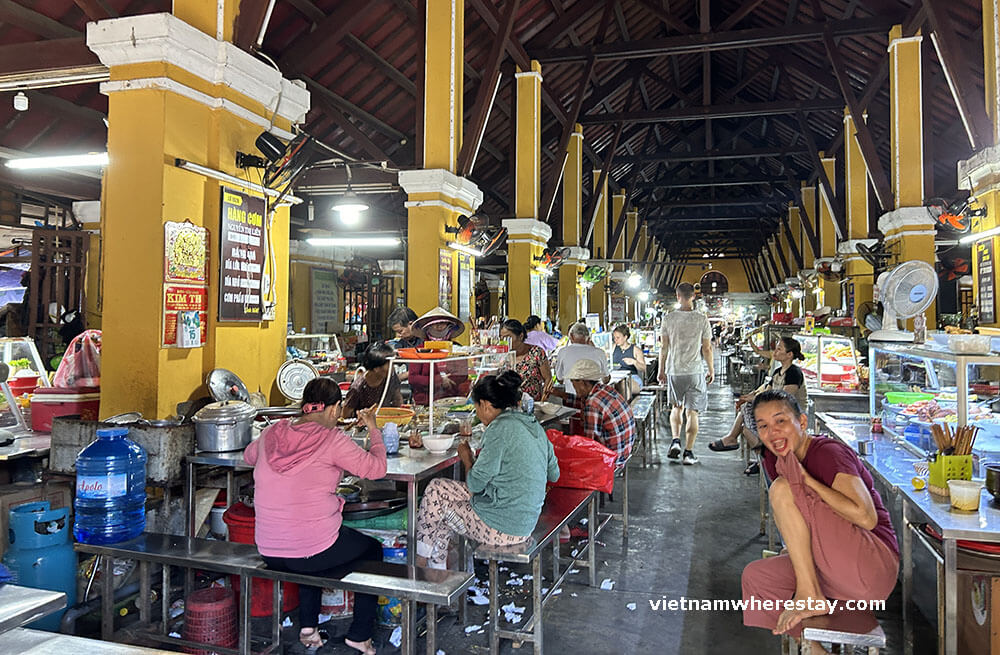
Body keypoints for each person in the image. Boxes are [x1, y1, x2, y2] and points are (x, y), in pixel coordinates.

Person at [741, 390, 898, 650]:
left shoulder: (827, 453)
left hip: (871, 566)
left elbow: (866, 517)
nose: (773, 432)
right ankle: (814, 648)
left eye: (781, 421)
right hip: (833, 568)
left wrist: (808, 481)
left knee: (782, 488)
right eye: (764, 426)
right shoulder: (777, 460)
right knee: (757, 579)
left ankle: (810, 594)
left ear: (802, 422)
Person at [244, 378, 387, 655]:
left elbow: (250, 456)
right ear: (334, 410)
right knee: (371, 551)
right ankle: (360, 635)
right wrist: (373, 429)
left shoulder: (273, 433)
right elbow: (377, 468)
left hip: (269, 550)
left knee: (308, 542)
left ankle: (308, 628)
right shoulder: (333, 439)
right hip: (311, 551)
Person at [414, 371, 560, 569]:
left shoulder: (499, 429)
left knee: (436, 501)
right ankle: (435, 573)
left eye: (476, 407)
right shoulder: (533, 425)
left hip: (502, 527)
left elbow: (475, 484)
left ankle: (420, 566)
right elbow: (554, 474)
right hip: (525, 520)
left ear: (484, 404)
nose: (477, 413)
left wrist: (467, 458)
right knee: (438, 490)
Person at [708, 336, 807, 475]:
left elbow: (785, 400)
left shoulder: (794, 373)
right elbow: (767, 392)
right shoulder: (778, 372)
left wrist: (754, 400)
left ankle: (755, 451)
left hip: (791, 417)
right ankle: (761, 458)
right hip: (777, 414)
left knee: (747, 415)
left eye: (779, 349)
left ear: (789, 355)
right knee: (745, 424)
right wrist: (750, 397)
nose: (775, 352)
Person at [658, 282, 714, 465]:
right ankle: (688, 453)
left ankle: (675, 440)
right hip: (695, 371)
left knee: (676, 407)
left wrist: (661, 370)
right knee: (692, 412)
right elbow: (707, 348)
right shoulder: (701, 319)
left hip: (675, 370)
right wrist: (711, 369)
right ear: (694, 296)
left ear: (677, 296)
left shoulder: (669, 318)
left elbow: (664, 348)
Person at [548, 358, 635, 469]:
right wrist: (558, 394)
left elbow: (590, 443)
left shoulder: (593, 404)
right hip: (624, 450)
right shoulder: (604, 390)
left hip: (612, 460)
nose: (573, 387)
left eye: (573, 383)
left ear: (582, 382)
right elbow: (582, 401)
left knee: (561, 463)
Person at [343, 343, 403, 418]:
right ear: (376, 368)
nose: (393, 367)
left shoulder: (391, 377)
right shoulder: (358, 387)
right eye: (389, 364)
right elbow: (345, 414)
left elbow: (398, 400)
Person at [500, 318, 552, 401]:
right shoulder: (503, 356)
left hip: (533, 405)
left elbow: (548, 379)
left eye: (508, 338)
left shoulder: (536, 352)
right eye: (502, 338)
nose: (505, 342)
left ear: (520, 336)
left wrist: (543, 401)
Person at [553, 322, 610, 393]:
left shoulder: (563, 352)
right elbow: (606, 379)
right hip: (595, 397)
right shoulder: (599, 352)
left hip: (572, 398)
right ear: (589, 338)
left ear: (571, 336)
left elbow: (560, 379)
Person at [611, 324, 646, 394]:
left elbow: (644, 368)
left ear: (625, 337)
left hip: (632, 377)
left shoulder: (635, 350)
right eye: (614, 338)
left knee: (623, 385)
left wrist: (634, 362)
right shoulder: (613, 347)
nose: (615, 340)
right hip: (616, 377)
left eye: (618, 337)